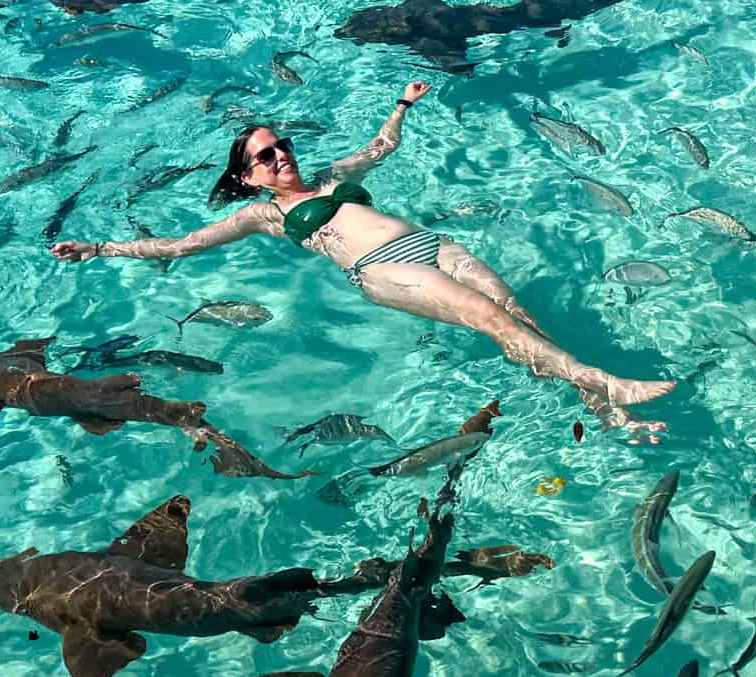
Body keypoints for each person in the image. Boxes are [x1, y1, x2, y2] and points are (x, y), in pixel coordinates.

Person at [51, 80, 673, 433]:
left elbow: (379, 148)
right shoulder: (259, 214)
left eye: (281, 146)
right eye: (265, 157)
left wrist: (402, 105)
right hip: (385, 271)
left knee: (515, 311)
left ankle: (595, 401)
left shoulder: (328, 174)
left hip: (430, 243)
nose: (280, 157)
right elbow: (180, 246)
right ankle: (604, 381)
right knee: (491, 321)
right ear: (246, 177)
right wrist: (102, 247)